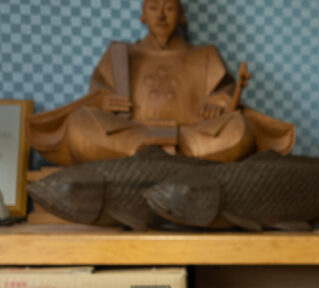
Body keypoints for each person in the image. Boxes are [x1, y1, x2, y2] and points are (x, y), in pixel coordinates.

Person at [28, 0, 293, 165]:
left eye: (169, 7)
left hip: (190, 137)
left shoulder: (205, 55)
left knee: (238, 128)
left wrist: (221, 100)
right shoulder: (121, 55)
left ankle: (157, 158)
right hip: (132, 135)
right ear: (142, 14)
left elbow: (228, 101)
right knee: (80, 123)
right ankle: (158, 156)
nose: (161, 16)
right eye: (153, 7)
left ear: (181, 15)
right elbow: (97, 97)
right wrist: (102, 100)